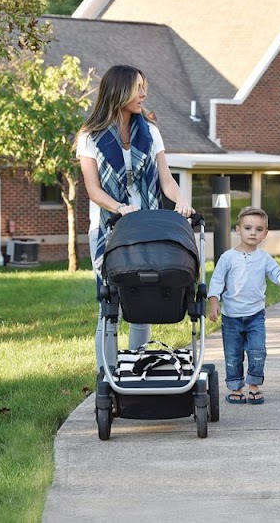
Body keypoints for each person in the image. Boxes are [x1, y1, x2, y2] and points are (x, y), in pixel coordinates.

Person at [75, 64, 194, 373]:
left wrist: (181, 202)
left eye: (144, 87)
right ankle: (107, 375)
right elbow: (93, 189)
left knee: (143, 297)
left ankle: (136, 368)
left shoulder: (150, 131)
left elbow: (166, 180)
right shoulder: (90, 136)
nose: (144, 94)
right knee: (109, 303)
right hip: (109, 229)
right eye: (138, 87)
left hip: (147, 226)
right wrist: (120, 208)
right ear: (119, 91)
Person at [207, 206, 280, 404]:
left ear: (265, 234)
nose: (253, 233)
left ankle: (254, 385)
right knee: (232, 354)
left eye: (258, 230)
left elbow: (279, 277)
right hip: (231, 316)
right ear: (238, 230)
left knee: (257, 351)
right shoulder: (228, 257)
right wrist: (213, 300)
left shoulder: (264, 258)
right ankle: (236, 388)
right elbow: (216, 281)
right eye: (248, 228)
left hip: (256, 315)